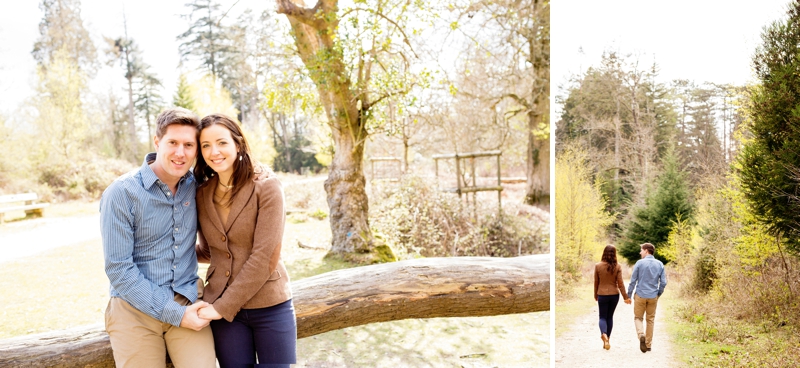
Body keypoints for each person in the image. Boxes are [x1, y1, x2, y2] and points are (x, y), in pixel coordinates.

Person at [100, 107, 216, 367]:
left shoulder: (197, 187)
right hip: (133, 308)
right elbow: (119, 269)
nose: (180, 152)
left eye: (189, 145)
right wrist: (176, 314)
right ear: (157, 142)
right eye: (172, 142)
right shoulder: (121, 193)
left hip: (186, 299)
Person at [193, 113, 297, 367]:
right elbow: (212, 250)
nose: (214, 151)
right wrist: (167, 251)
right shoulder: (202, 194)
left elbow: (265, 256)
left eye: (222, 142)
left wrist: (220, 308)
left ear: (237, 144)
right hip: (224, 310)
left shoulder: (267, 187)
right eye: (206, 145)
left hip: (270, 304)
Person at [627, 242, 667, 353]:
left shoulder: (639, 263)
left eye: (641, 250)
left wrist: (628, 295)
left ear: (646, 250)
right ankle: (648, 345)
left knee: (638, 318)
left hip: (640, 295)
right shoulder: (659, 264)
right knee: (650, 320)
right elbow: (663, 282)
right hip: (653, 296)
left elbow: (633, 281)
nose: (640, 252)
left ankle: (641, 335)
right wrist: (658, 294)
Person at [594, 244, 630, 350]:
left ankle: (603, 334)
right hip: (614, 295)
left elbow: (596, 282)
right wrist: (625, 297)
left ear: (604, 253)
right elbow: (620, 283)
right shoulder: (618, 266)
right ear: (614, 254)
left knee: (602, 317)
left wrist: (595, 294)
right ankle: (607, 339)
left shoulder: (598, 266)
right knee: (609, 317)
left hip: (602, 294)